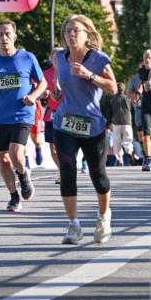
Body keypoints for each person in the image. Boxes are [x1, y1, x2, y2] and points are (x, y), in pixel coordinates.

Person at [52, 15, 117, 244]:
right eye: (68, 30)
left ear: (87, 34)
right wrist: (56, 92)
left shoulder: (98, 59)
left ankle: (103, 217)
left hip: (92, 125)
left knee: (98, 176)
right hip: (65, 123)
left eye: (76, 31)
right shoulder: (59, 56)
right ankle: (73, 226)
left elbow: (113, 88)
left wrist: (90, 76)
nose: (71, 34)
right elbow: (58, 83)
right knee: (67, 173)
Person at [0, 20, 46, 211]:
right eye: (0, 35)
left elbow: (43, 83)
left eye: (7, 34)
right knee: (4, 160)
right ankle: (14, 196)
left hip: (22, 114)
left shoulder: (27, 58)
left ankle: (23, 176)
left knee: (15, 153)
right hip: (0, 118)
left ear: (14, 36)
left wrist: (32, 96)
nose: (4, 38)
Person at [102, 82, 134, 166]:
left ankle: (120, 160)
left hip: (116, 123)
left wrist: (108, 125)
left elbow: (109, 114)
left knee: (117, 142)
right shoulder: (128, 99)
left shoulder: (112, 100)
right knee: (128, 141)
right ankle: (129, 153)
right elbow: (132, 111)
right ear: (124, 89)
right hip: (127, 122)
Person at [137, 49, 151, 171]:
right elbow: (142, 83)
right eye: (145, 57)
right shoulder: (142, 71)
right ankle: (148, 159)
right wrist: (138, 92)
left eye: (149, 57)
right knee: (146, 134)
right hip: (146, 106)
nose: (147, 59)